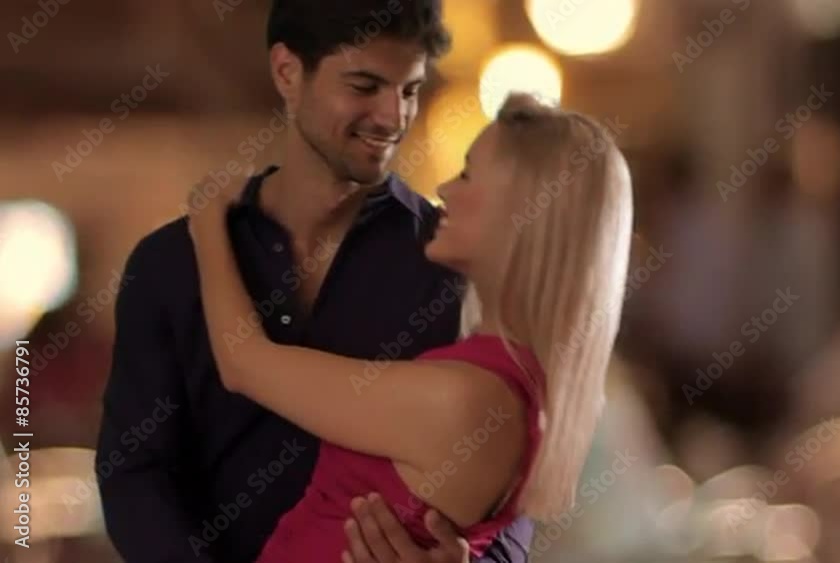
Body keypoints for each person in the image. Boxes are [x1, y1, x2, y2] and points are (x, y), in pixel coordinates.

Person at [96, 1, 535, 562]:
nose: (393, 117)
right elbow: (134, 471)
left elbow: (512, 482)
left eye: (409, 90)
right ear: (287, 72)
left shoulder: (457, 268)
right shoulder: (170, 263)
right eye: (364, 86)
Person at [185, 90, 634, 561]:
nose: (445, 189)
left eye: (467, 174)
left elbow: (243, 363)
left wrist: (208, 219)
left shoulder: (465, 397)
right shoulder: (508, 382)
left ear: (521, 210)